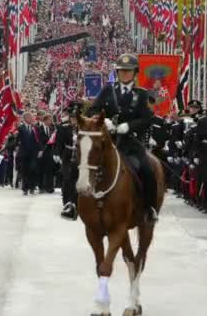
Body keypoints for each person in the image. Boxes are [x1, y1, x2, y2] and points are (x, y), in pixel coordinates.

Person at [88, 53, 158, 224]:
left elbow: (147, 119)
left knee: (148, 171)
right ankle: (72, 203)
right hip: (107, 142)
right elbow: (91, 111)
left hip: (131, 143)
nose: (125, 74)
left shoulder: (141, 94)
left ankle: (150, 208)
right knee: (82, 164)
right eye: (121, 71)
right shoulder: (107, 90)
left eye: (128, 71)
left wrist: (129, 127)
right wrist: (103, 120)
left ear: (135, 73)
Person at [56, 102, 82, 220]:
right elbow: (59, 142)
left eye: (75, 118)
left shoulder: (82, 128)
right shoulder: (63, 128)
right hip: (67, 155)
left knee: (78, 180)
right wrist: (57, 153)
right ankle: (67, 202)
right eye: (72, 118)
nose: (73, 120)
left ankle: (77, 202)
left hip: (79, 156)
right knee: (67, 179)